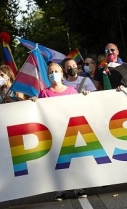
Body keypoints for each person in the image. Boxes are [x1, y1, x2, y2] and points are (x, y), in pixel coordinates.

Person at [36, 64, 88, 198]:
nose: (53, 74)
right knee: (57, 160)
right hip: (53, 131)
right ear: (47, 75)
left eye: (56, 71)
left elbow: (79, 107)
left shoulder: (71, 91)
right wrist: (34, 101)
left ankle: (78, 186)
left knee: (74, 158)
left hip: (70, 129)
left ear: (62, 73)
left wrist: (85, 96)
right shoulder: (44, 93)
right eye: (51, 72)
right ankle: (60, 188)